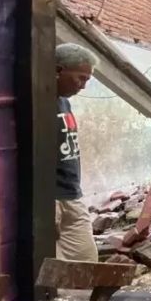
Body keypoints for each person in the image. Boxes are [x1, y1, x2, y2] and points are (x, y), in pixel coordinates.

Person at [55, 43, 99, 262]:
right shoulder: (38, 103)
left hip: (72, 193)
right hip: (49, 197)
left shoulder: (63, 102)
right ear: (58, 70)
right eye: (81, 78)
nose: (82, 86)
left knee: (87, 261)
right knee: (52, 270)